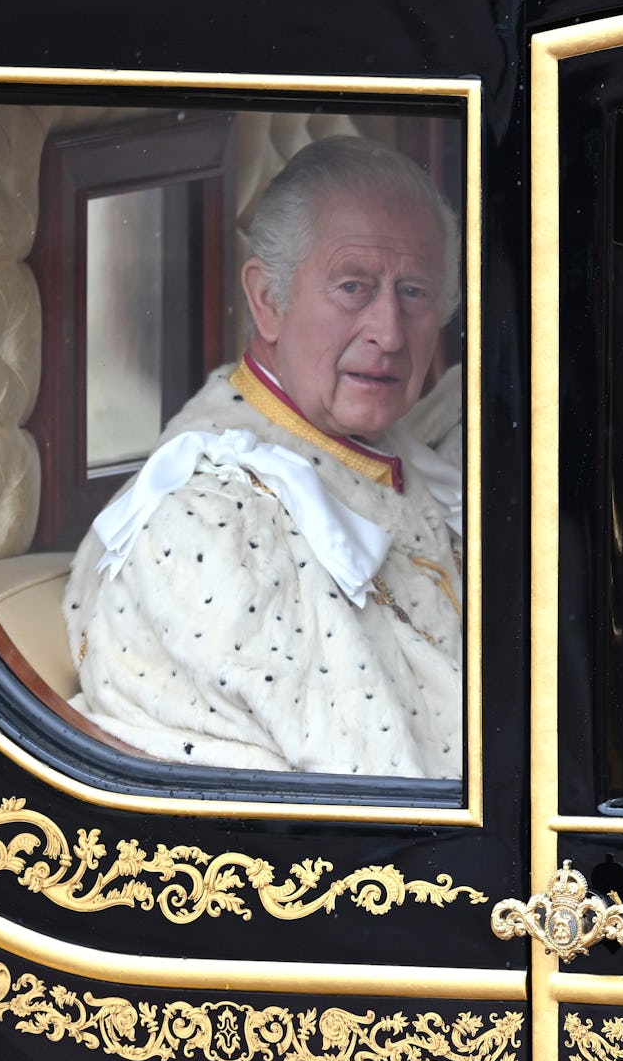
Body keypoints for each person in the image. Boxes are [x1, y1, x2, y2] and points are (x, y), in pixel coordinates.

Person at [64, 136, 464, 778]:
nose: (388, 333)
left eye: (414, 292)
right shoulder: (211, 525)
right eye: (353, 287)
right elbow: (371, 800)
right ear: (268, 300)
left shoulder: (397, 449)